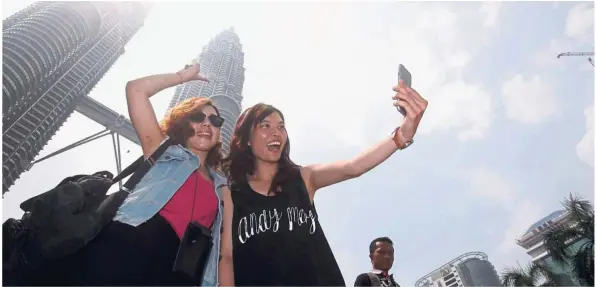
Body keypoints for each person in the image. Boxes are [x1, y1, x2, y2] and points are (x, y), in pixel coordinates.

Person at [218, 79, 428, 286]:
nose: (276, 132)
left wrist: (403, 134)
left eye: (281, 126)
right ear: (246, 138)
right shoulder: (232, 193)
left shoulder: (304, 178)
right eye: (265, 125)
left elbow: (353, 167)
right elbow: (227, 256)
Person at [70, 64, 228, 286]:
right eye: (197, 116)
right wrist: (182, 76)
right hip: (127, 247)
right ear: (184, 122)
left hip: (180, 273)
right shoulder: (163, 150)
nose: (206, 123)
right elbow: (136, 89)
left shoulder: (222, 186)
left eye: (215, 120)